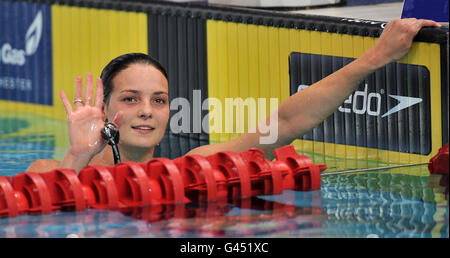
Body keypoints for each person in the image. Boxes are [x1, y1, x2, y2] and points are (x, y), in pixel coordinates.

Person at [26, 18, 441, 173]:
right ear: (104, 106)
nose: (147, 112)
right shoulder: (49, 168)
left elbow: (285, 125)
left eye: (159, 100)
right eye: (131, 99)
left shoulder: (192, 167)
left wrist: (375, 58)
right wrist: (78, 156)